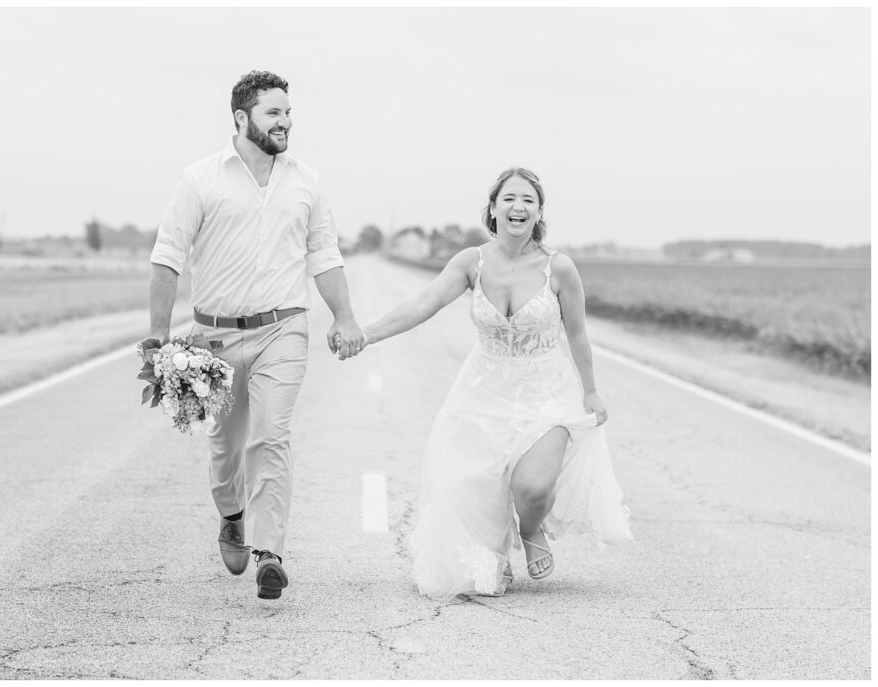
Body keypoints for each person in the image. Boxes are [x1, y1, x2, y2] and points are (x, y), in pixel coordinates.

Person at [358, 167, 632, 600]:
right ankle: (494, 556)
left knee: (532, 486)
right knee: (478, 488)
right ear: (493, 207)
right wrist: (367, 334)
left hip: (546, 390)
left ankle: (530, 527)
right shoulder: (472, 262)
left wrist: (591, 390)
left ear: (539, 211)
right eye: (509, 198)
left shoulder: (559, 268)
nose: (518, 207)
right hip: (483, 389)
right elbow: (423, 303)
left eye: (528, 200)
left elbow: (577, 334)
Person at [147, 70, 367, 600]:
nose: (285, 122)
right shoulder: (199, 180)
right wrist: (157, 339)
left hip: (283, 329)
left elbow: (324, 254)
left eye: (288, 113)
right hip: (214, 339)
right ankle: (232, 516)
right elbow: (167, 258)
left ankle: (270, 552)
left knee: (271, 436)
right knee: (226, 444)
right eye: (274, 113)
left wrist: (344, 316)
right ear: (242, 118)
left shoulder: (306, 181)